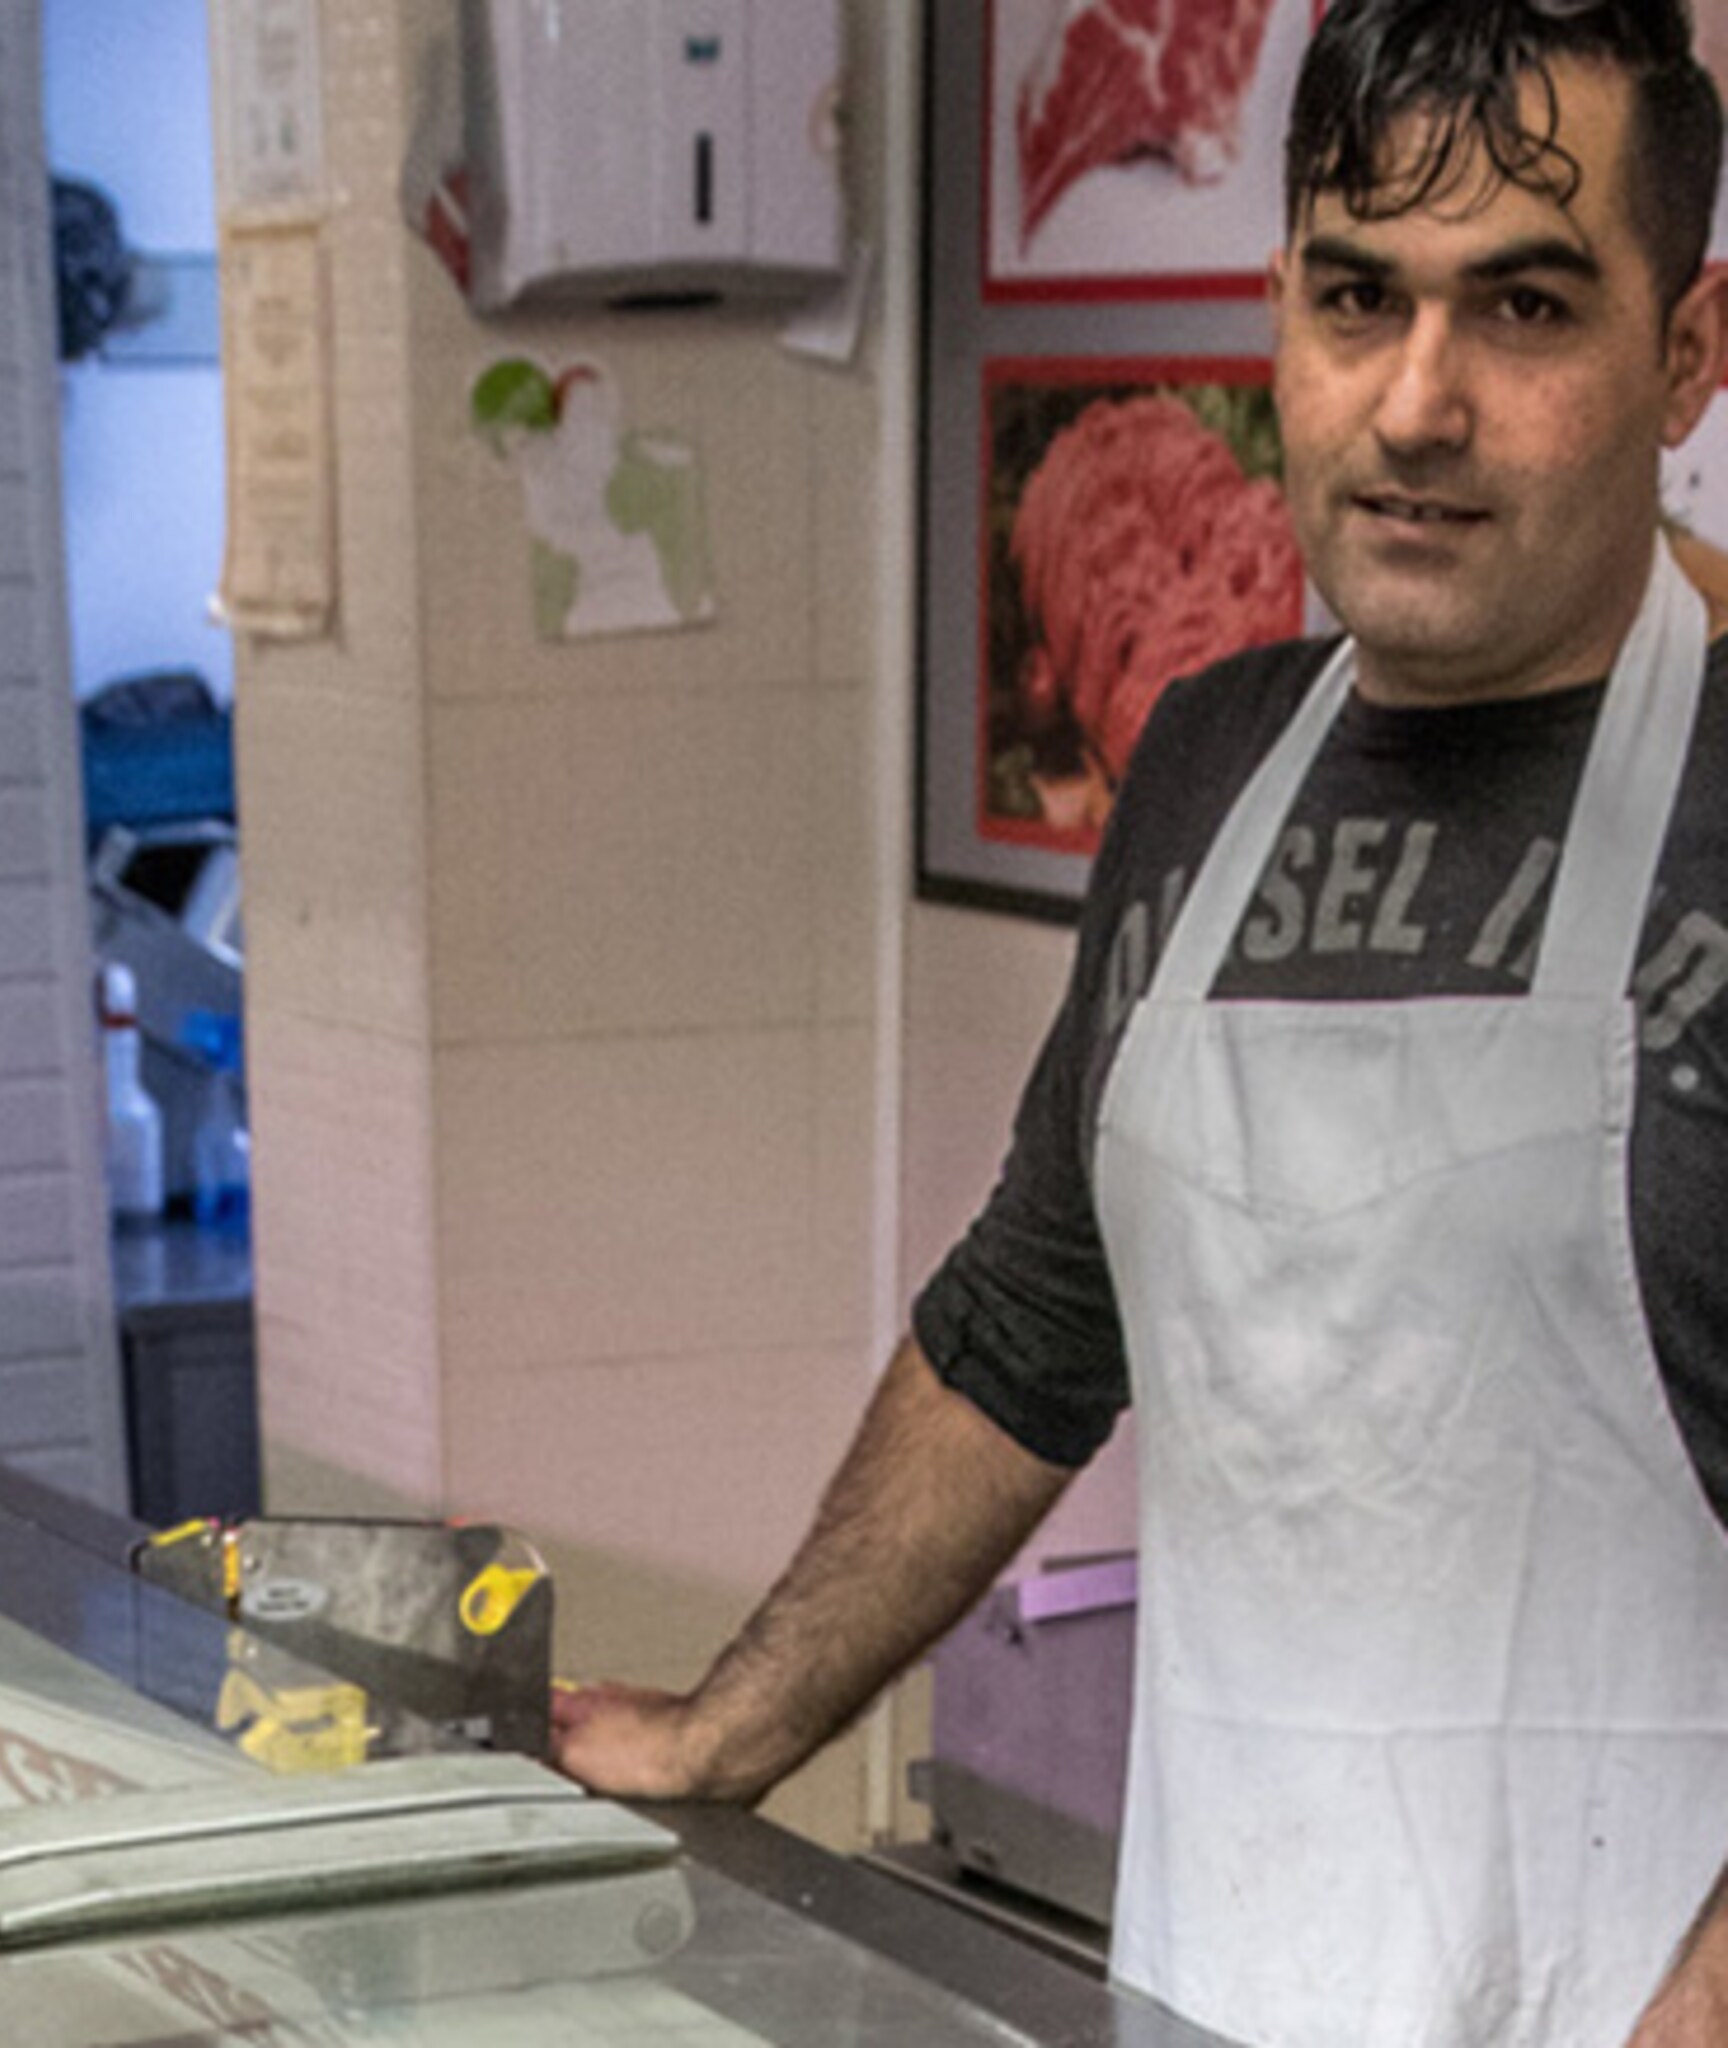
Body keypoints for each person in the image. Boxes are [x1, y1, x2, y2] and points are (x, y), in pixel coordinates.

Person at [552, 3, 1728, 2044]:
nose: (1415, 403)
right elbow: (1028, 1322)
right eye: (1357, 298)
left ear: (1684, 355)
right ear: (1279, 305)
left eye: (1522, 309)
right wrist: (728, 1724)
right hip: (1213, 1976)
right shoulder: (1204, 756)